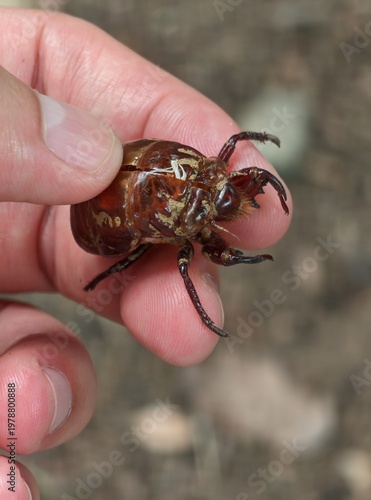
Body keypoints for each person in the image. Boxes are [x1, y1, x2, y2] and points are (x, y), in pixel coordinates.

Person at [0, 8, 291, 499]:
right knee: (166, 273)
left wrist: (245, 158)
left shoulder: (200, 180)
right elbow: (197, 249)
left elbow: (235, 143)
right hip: (97, 225)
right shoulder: (188, 224)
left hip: (118, 192)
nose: (231, 197)